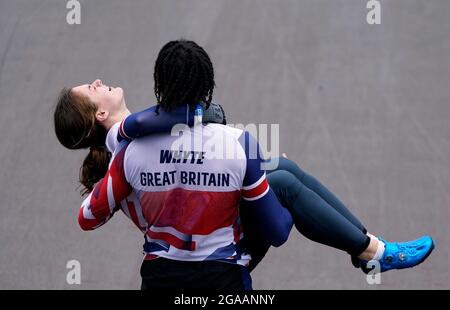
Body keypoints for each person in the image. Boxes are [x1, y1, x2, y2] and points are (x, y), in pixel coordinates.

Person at [54, 40, 434, 289]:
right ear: (101, 112)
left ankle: (369, 249)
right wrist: (201, 116)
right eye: (91, 88)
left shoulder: (133, 142)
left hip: (177, 254)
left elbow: (168, 133)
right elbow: (158, 138)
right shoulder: (126, 149)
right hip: (213, 252)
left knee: (283, 169)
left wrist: (202, 121)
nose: (98, 81)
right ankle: (373, 253)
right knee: (281, 182)